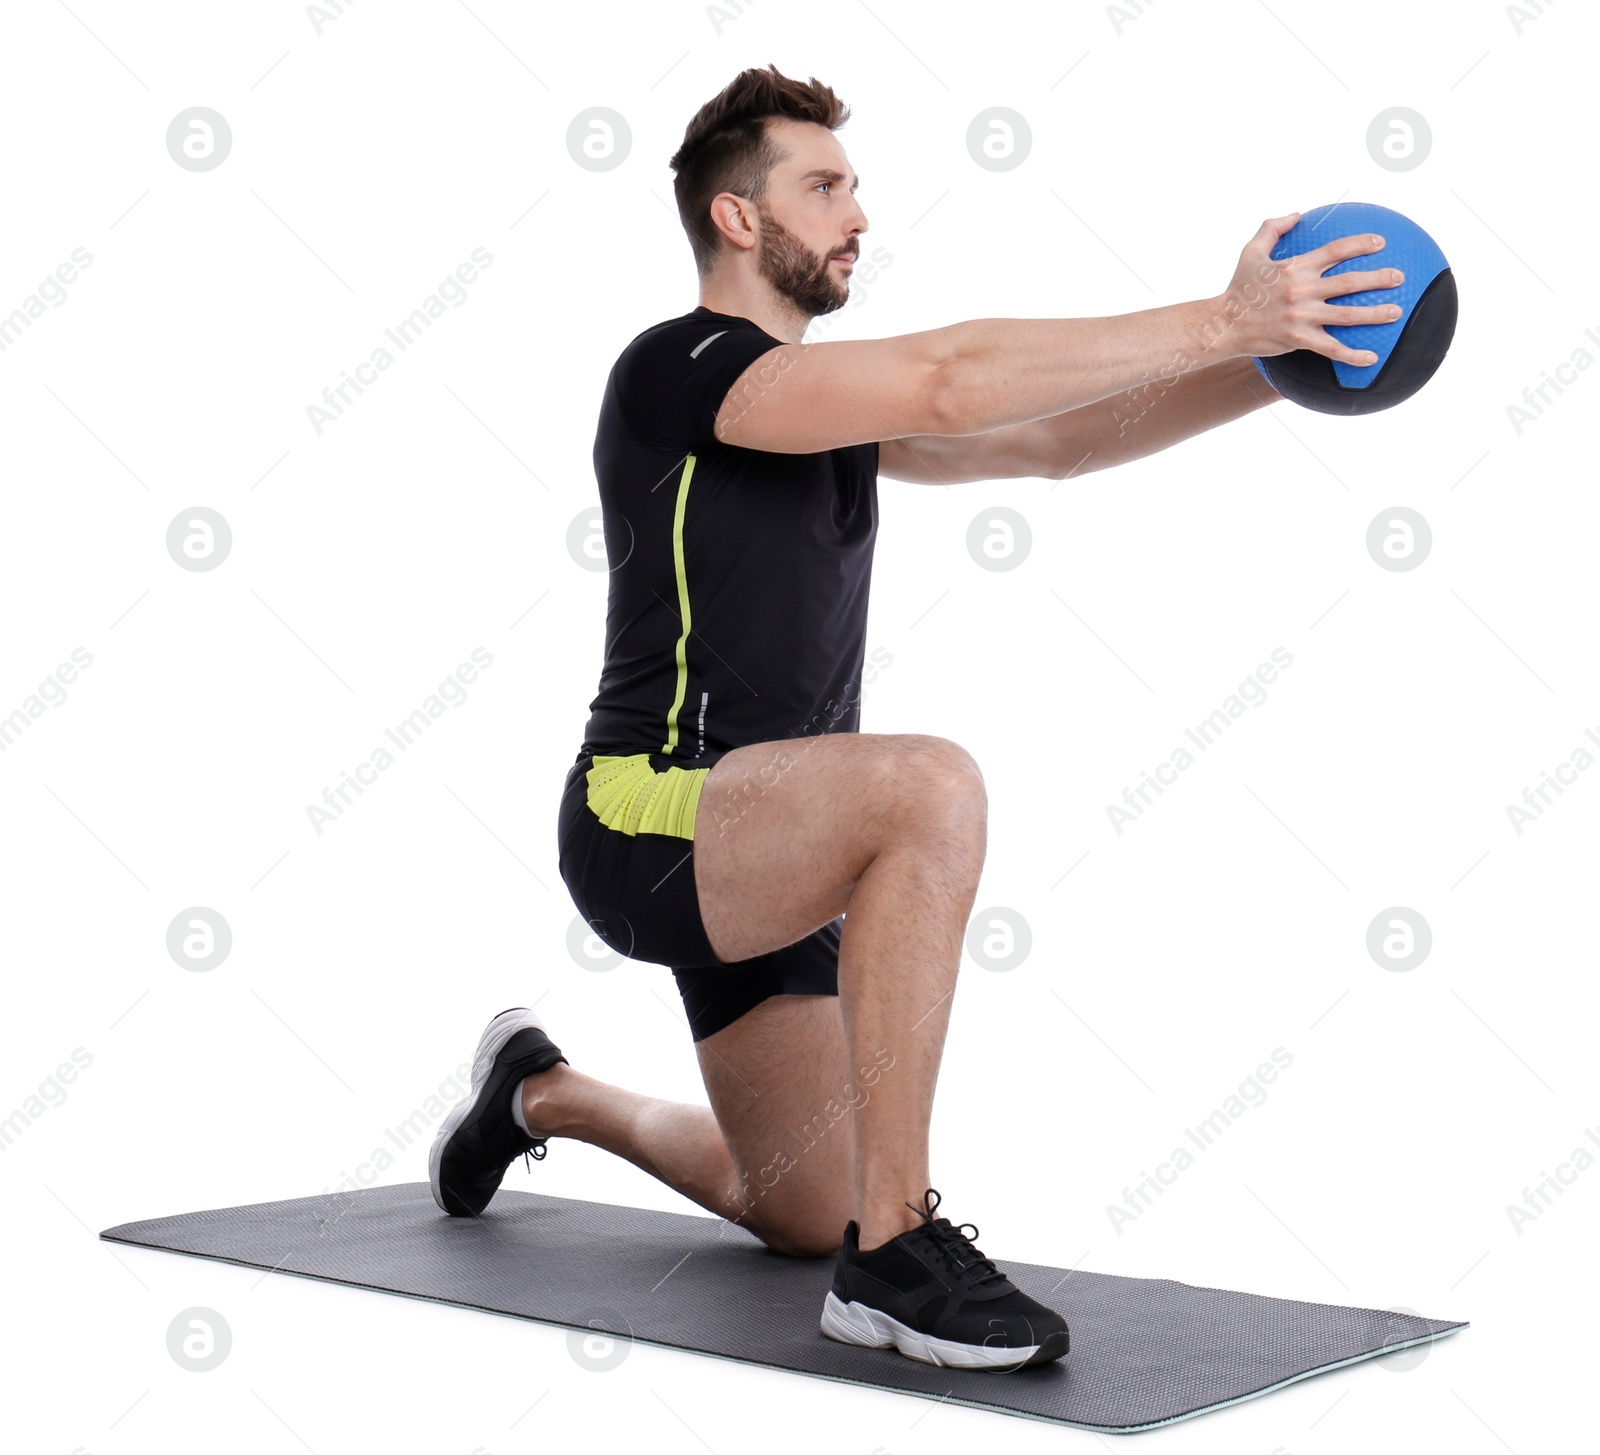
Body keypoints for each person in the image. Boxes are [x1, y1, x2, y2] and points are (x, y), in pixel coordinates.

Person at [430, 64, 1403, 1372]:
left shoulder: (826, 416)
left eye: (854, 187)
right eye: (824, 186)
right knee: (930, 787)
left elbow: (1050, 440)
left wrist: (1283, 362)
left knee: (791, 1202)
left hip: (776, 838)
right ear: (735, 218)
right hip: (647, 816)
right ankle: (891, 1255)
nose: (857, 215)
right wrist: (1227, 315)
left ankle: (542, 1090)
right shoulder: (682, 368)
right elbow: (949, 379)